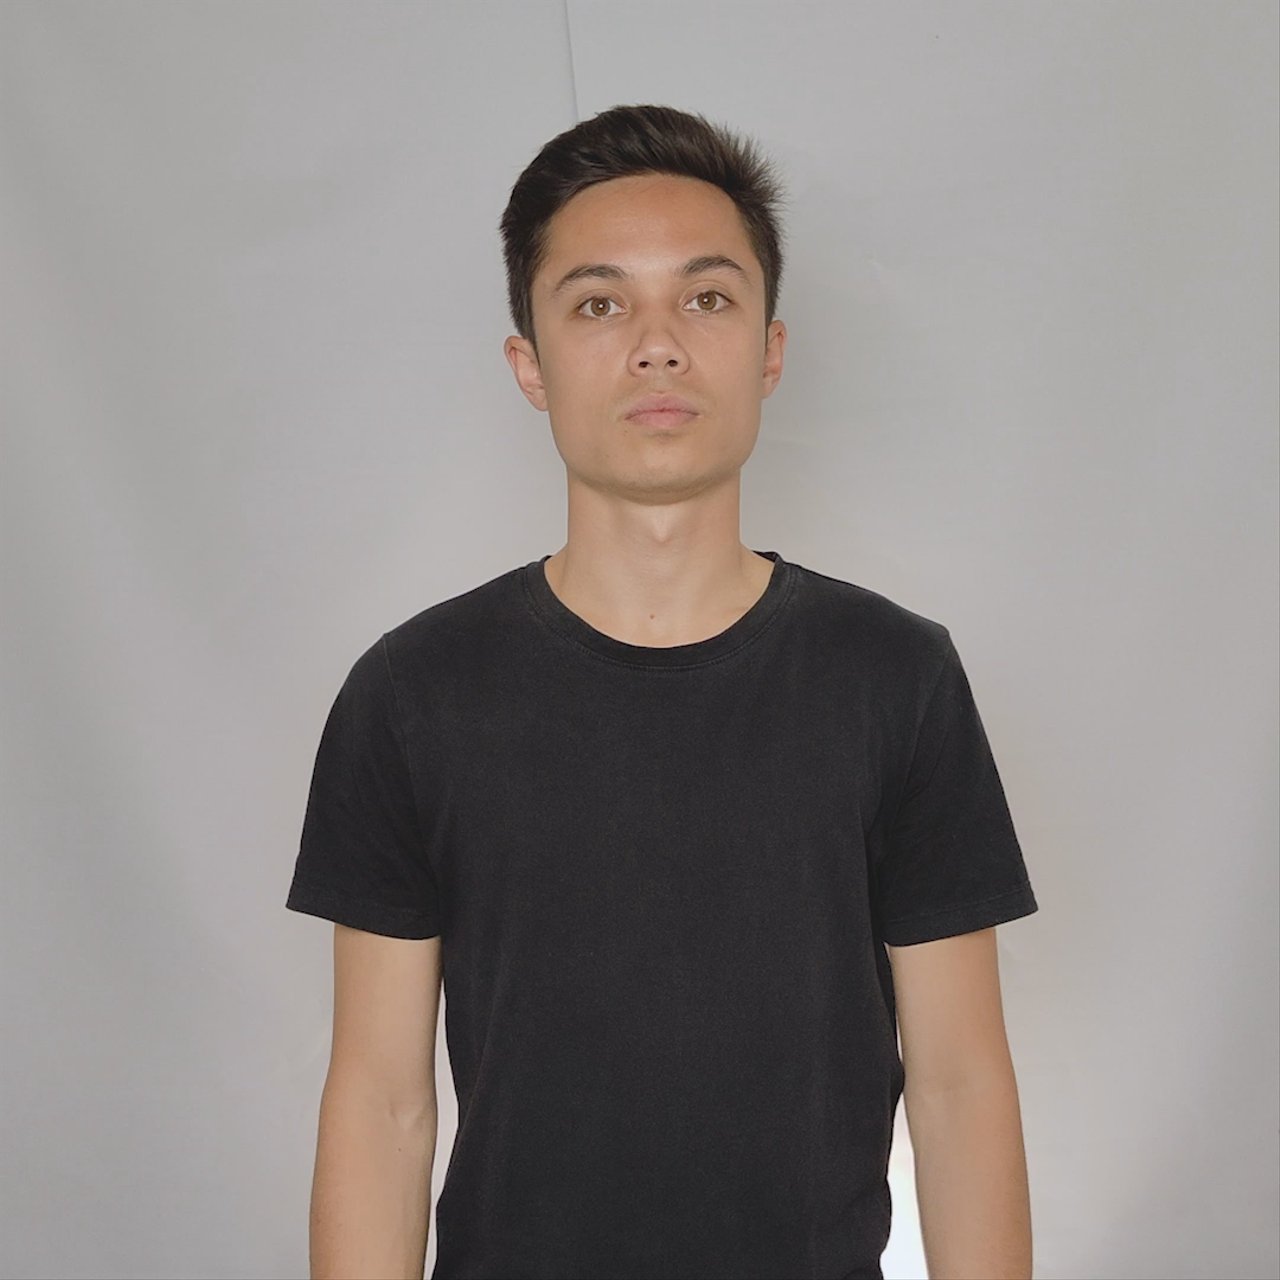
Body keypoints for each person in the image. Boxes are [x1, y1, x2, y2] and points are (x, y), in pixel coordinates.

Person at [286, 103, 1039, 1280]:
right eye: (598, 304)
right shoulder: (412, 695)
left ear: (768, 350)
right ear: (529, 364)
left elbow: (956, 1087)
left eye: (705, 298)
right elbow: (382, 1101)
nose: (656, 345)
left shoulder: (895, 678)